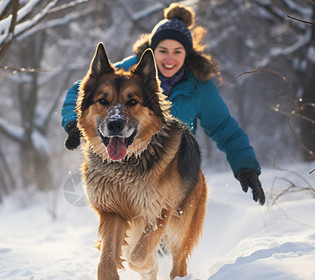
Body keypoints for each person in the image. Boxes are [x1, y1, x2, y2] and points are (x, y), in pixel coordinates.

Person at [61, 3, 265, 205]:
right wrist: (73, 124)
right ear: (152, 50)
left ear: (187, 54)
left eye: (177, 51)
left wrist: (245, 167)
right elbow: (79, 92)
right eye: (163, 50)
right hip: (125, 170)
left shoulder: (199, 86)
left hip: (171, 169)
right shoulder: (128, 71)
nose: (169, 58)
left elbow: (224, 130)